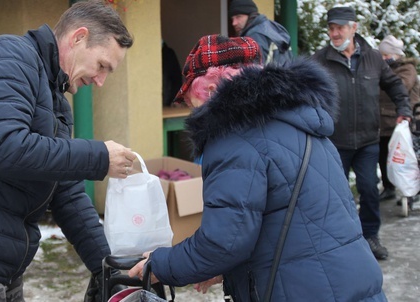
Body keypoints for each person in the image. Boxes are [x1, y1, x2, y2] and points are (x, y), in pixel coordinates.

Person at [128, 34, 387, 301]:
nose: (189, 109)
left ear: (208, 90)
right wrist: (225, 271)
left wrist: (159, 264)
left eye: (189, 98)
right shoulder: (304, 124)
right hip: (353, 283)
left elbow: (224, 243)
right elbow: (289, 223)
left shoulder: (233, 140)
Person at [0, 1, 136, 301]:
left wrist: (109, 268)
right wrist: (98, 157)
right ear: (78, 37)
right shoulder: (9, 57)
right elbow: (4, 147)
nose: (100, 81)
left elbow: (66, 193)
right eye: (101, 66)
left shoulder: (55, 99)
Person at [311, 6, 412, 261]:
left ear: (354, 27)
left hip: (368, 140)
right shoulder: (319, 60)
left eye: (340, 27)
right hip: (334, 142)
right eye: (331, 28)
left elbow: (394, 85)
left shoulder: (373, 58)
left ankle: (370, 237)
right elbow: (303, 93)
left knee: (368, 189)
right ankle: (339, 240)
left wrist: (404, 109)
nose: (334, 33)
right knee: (335, 195)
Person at [377, 35, 420, 201]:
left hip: (405, 120)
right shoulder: (384, 69)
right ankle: (389, 187)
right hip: (384, 120)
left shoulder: (406, 69)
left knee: (408, 157)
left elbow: (399, 87)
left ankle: (412, 188)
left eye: (386, 55)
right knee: (384, 155)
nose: (384, 58)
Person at [228, 0, 292, 65]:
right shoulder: (275, 28)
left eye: (238, 17)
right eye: (232, 19)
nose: (234, 23)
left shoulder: (255, 35)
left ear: (250, 15)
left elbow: (255, 71)